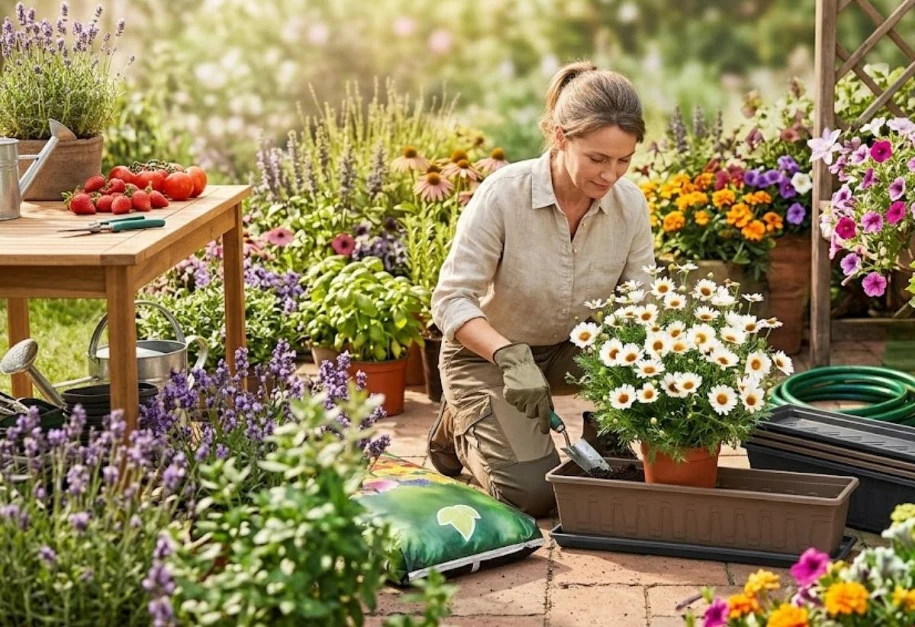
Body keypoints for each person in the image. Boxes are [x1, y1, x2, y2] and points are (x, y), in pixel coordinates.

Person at [427, 60, 655, 518]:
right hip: (488, 356)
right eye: (597, 159)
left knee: (620, 468)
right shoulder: (504, 194)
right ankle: (458, 421)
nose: (611, 176)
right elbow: (450, 300)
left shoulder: (629, 205)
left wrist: (630, 396)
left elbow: (640, 304)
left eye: (624, 160)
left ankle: (604, 435)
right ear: (559, 135)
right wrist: (508, 356)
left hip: (571, 350)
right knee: (535, 495)